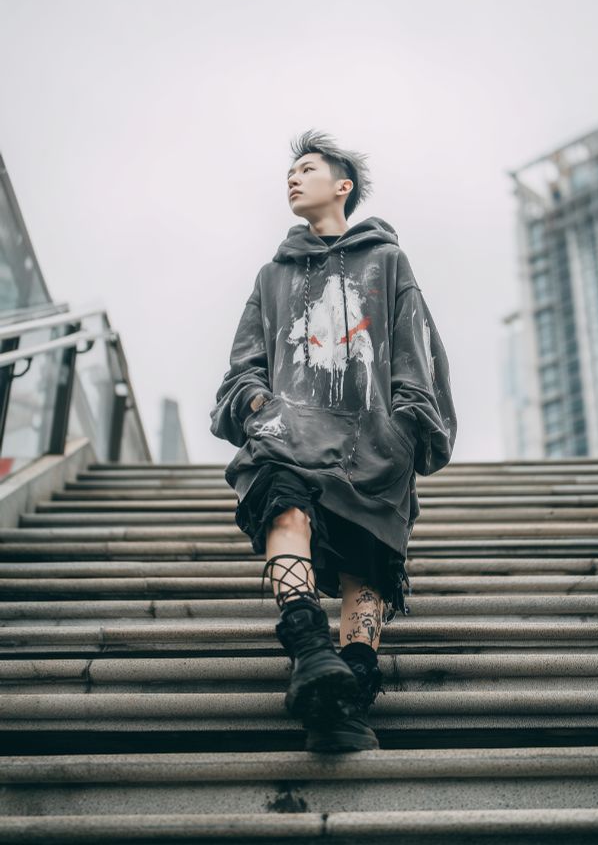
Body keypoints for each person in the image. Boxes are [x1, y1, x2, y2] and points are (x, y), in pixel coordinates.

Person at [209, 129, 456, 752]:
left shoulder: (388, 262)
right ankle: (309, 646)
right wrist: (260, 406)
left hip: (373, 444)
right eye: (290, 171)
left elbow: (414, 350)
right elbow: (244, 366)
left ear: (342, 186)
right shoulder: (272, 276)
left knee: (364, 564)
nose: (293, 178)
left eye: (308, 168)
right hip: (289, 437)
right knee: (283, 508)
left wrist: (406, 428)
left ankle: (346, 695)